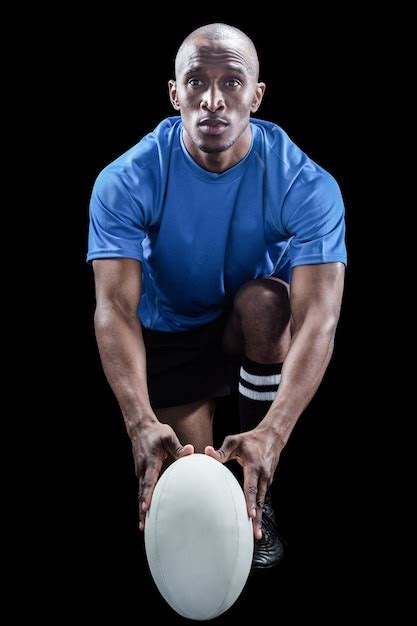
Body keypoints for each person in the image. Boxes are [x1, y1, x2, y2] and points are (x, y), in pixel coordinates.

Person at [87, 23, 346, 570]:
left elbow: (318, 319)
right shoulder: (128, 178)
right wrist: (138, 421)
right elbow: (113, 308)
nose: (213, 99)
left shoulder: (304, 182)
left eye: (232, 82)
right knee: (200, 489)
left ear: (257, 94)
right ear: (173, 93)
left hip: (244, 321)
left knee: (267, 302)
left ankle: (261, 478)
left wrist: (273, 434)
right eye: (196, 81)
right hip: (169, 333)